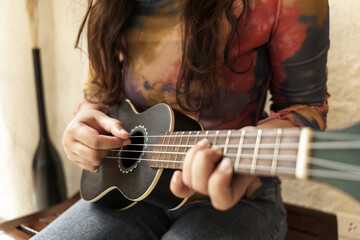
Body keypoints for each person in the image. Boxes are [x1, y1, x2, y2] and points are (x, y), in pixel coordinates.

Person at [32, 0, 329, 239]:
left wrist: (243, 163)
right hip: (127, 194)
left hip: (241, 202)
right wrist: (83, 125)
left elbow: (305, 108)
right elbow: (99, 95)